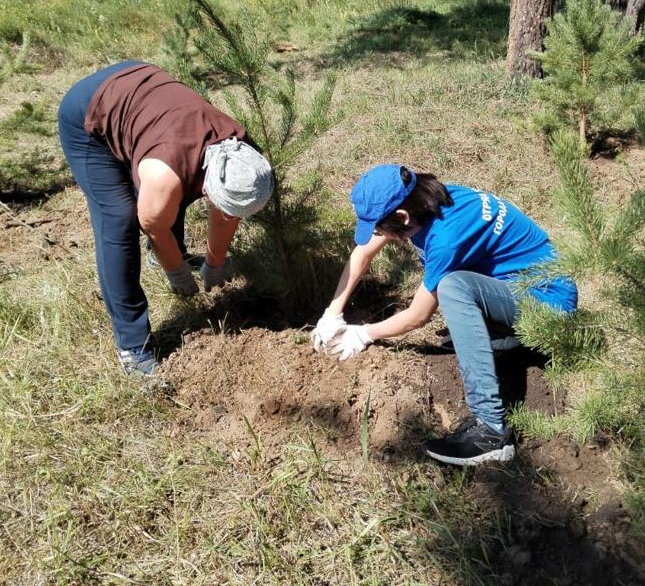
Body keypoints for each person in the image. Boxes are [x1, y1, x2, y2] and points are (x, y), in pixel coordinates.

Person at [312, 164, 577, 466]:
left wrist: (363, 334)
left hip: (549, 307)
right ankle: (504, 335)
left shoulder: (447, 238)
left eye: (379, 227)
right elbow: (364, 252)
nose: (376, 234)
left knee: (453, 288)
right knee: (457, 287)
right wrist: (333, 312)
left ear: (402, 217)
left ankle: (491, 432)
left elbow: (418, 315)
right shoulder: (429, 199)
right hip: (518, 291)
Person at [58, 60, 273, 376]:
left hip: (144, 98)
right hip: (88, 113)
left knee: (170, 192)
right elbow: (153, 225)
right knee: (120, 219)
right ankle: (132, 347)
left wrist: (215, 264)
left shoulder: (243, 158)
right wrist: (178, 273)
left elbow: (227, 212)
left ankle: (168, 256)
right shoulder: (164, 175)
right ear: (210, 187)